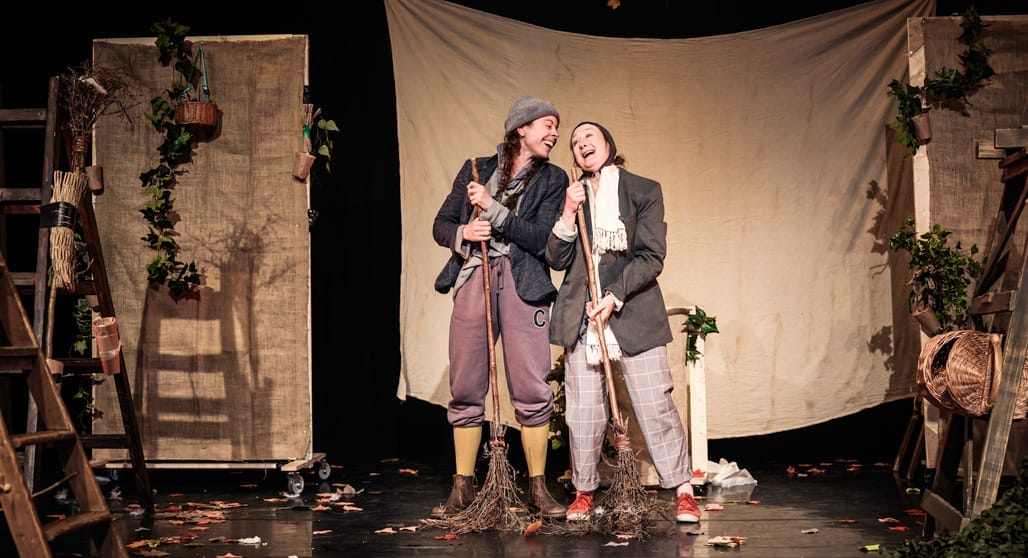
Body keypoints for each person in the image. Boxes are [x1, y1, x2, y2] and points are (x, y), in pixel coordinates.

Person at [546, 121, 701, 523]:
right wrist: (567, 212)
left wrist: (613, 297)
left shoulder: (643, 190)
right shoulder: (573, 196)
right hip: (581, 314)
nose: (582, 146)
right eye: (575, 143)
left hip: (631, 308)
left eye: (589, 138)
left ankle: (682, 489)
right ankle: (583, 490)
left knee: (654, 403)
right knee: (583, 410)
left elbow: (652, 256)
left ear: (608, 144)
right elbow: (557, 259)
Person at [431, 96, 569, 520]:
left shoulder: (553, 179)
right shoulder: (477, 168)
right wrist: (465, 232)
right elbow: (441, 225)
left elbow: (540, 238)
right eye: (548, 124)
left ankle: (537, 489)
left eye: (556, 127)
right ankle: (463, 490)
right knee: (467, 384)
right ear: (521, 128)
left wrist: (493, 210)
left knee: (531, 385)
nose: (555, 133)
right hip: (476, 275)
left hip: (523, 283)